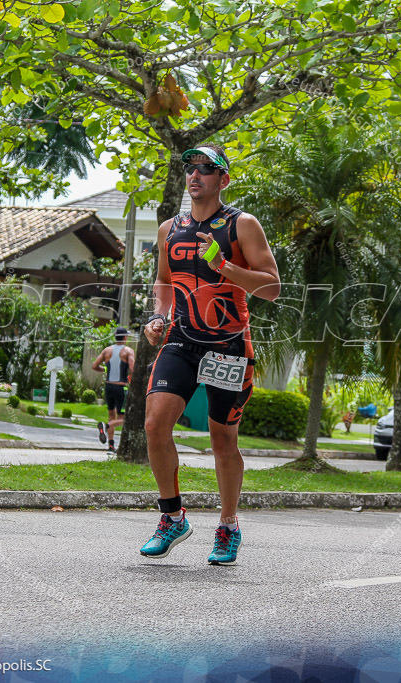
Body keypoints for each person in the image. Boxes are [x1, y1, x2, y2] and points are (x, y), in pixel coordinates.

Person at [139, 144, 280, 566]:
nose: (195, 175)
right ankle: (172, 516)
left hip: (229, 345)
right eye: (190, 168)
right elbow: (164, 282)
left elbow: (272, 287)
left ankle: (228, 524)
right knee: (154, 423)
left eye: (206, 168)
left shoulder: (243, 225)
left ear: (224, 178)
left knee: (223, 440)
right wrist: (157, 317)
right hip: (181, 339)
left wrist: (225, 266)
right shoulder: (170, 229)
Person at [91, 327, 134, 453]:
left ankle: (110, 446)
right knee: (124, 418)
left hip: (108, 386)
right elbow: (133, 368)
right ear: (125, 337)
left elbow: (94, 366)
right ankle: (107, 426)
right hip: (121, 387)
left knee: (111, 415)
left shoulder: (107, 350)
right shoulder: (128, 351)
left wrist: (105, 370)